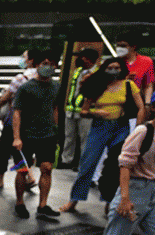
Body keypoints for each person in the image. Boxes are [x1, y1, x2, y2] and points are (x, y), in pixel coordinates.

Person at [61, 56, 146, 214]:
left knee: (114, 166)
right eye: (110, 67)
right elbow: (83, 111)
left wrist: (138, 130)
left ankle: (108, 201)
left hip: (121, 127)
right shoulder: (96, 85)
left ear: (122, 69)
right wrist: (95, 113)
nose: (113, 71)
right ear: (104, 69)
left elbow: (141, 107)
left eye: (117, 68)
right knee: (88, 162)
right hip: (99, 126)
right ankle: (74, 200)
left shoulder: (128, 85)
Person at [10, 48, 62, 221]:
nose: (48, 66)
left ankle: (43, 205)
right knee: (22, 170)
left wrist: (56, 129)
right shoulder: (26, 88)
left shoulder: (56, 86)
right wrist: (16, 137)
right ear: (37, 65)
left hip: (47, 135)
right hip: (26, 135)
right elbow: (16, 111)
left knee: (47, 168)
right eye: (44, 63)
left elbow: (55, 107)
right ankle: (19, 202)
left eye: (51, 64)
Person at [0, 49, 37, 189]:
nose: (22, 59)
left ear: (31, 60)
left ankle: (0, 179)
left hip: (14, 119)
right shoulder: (43, 80)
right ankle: (28, 177)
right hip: (33, 121)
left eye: (24, 57)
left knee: (4, 149)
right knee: (23, 151)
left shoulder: (21, 78)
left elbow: (6, 96)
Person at [61, 48, 100, 168]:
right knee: (69, 137)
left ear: (89, 59)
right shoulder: (78, 71)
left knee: (85, 138)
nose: (80, 59)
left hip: (86, 112)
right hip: (71, 110)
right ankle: (66, 161)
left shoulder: (98, 73)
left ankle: (82, 163)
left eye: (82, 57)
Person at [116, 35, 154, 121]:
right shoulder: (114, 63)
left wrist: (147, 104)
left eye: (123, 46)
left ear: (133, 47)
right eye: (118, 45)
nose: (119, 48)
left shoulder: (146, 62)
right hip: (117, 102)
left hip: (137, 103)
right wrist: (124, 80)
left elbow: (148, 85)